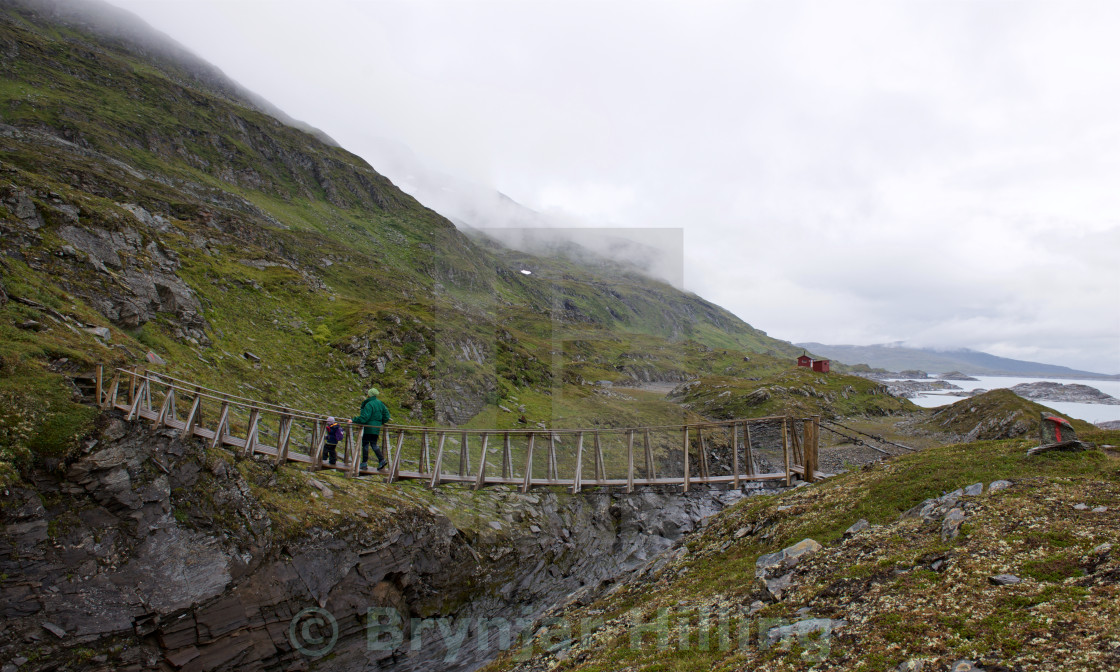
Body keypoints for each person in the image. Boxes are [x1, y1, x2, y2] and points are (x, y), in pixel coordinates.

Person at [351, 387, 391, 470]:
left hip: (368, 427)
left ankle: (364, 463)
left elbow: (364, 418)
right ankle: (381, 460)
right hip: (376, 428)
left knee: (365, 444)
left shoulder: (369, 404)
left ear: (369, 395)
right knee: (374, 444)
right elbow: (387, 416)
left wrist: (353, 420)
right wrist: (379, 422)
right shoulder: (380, 404)